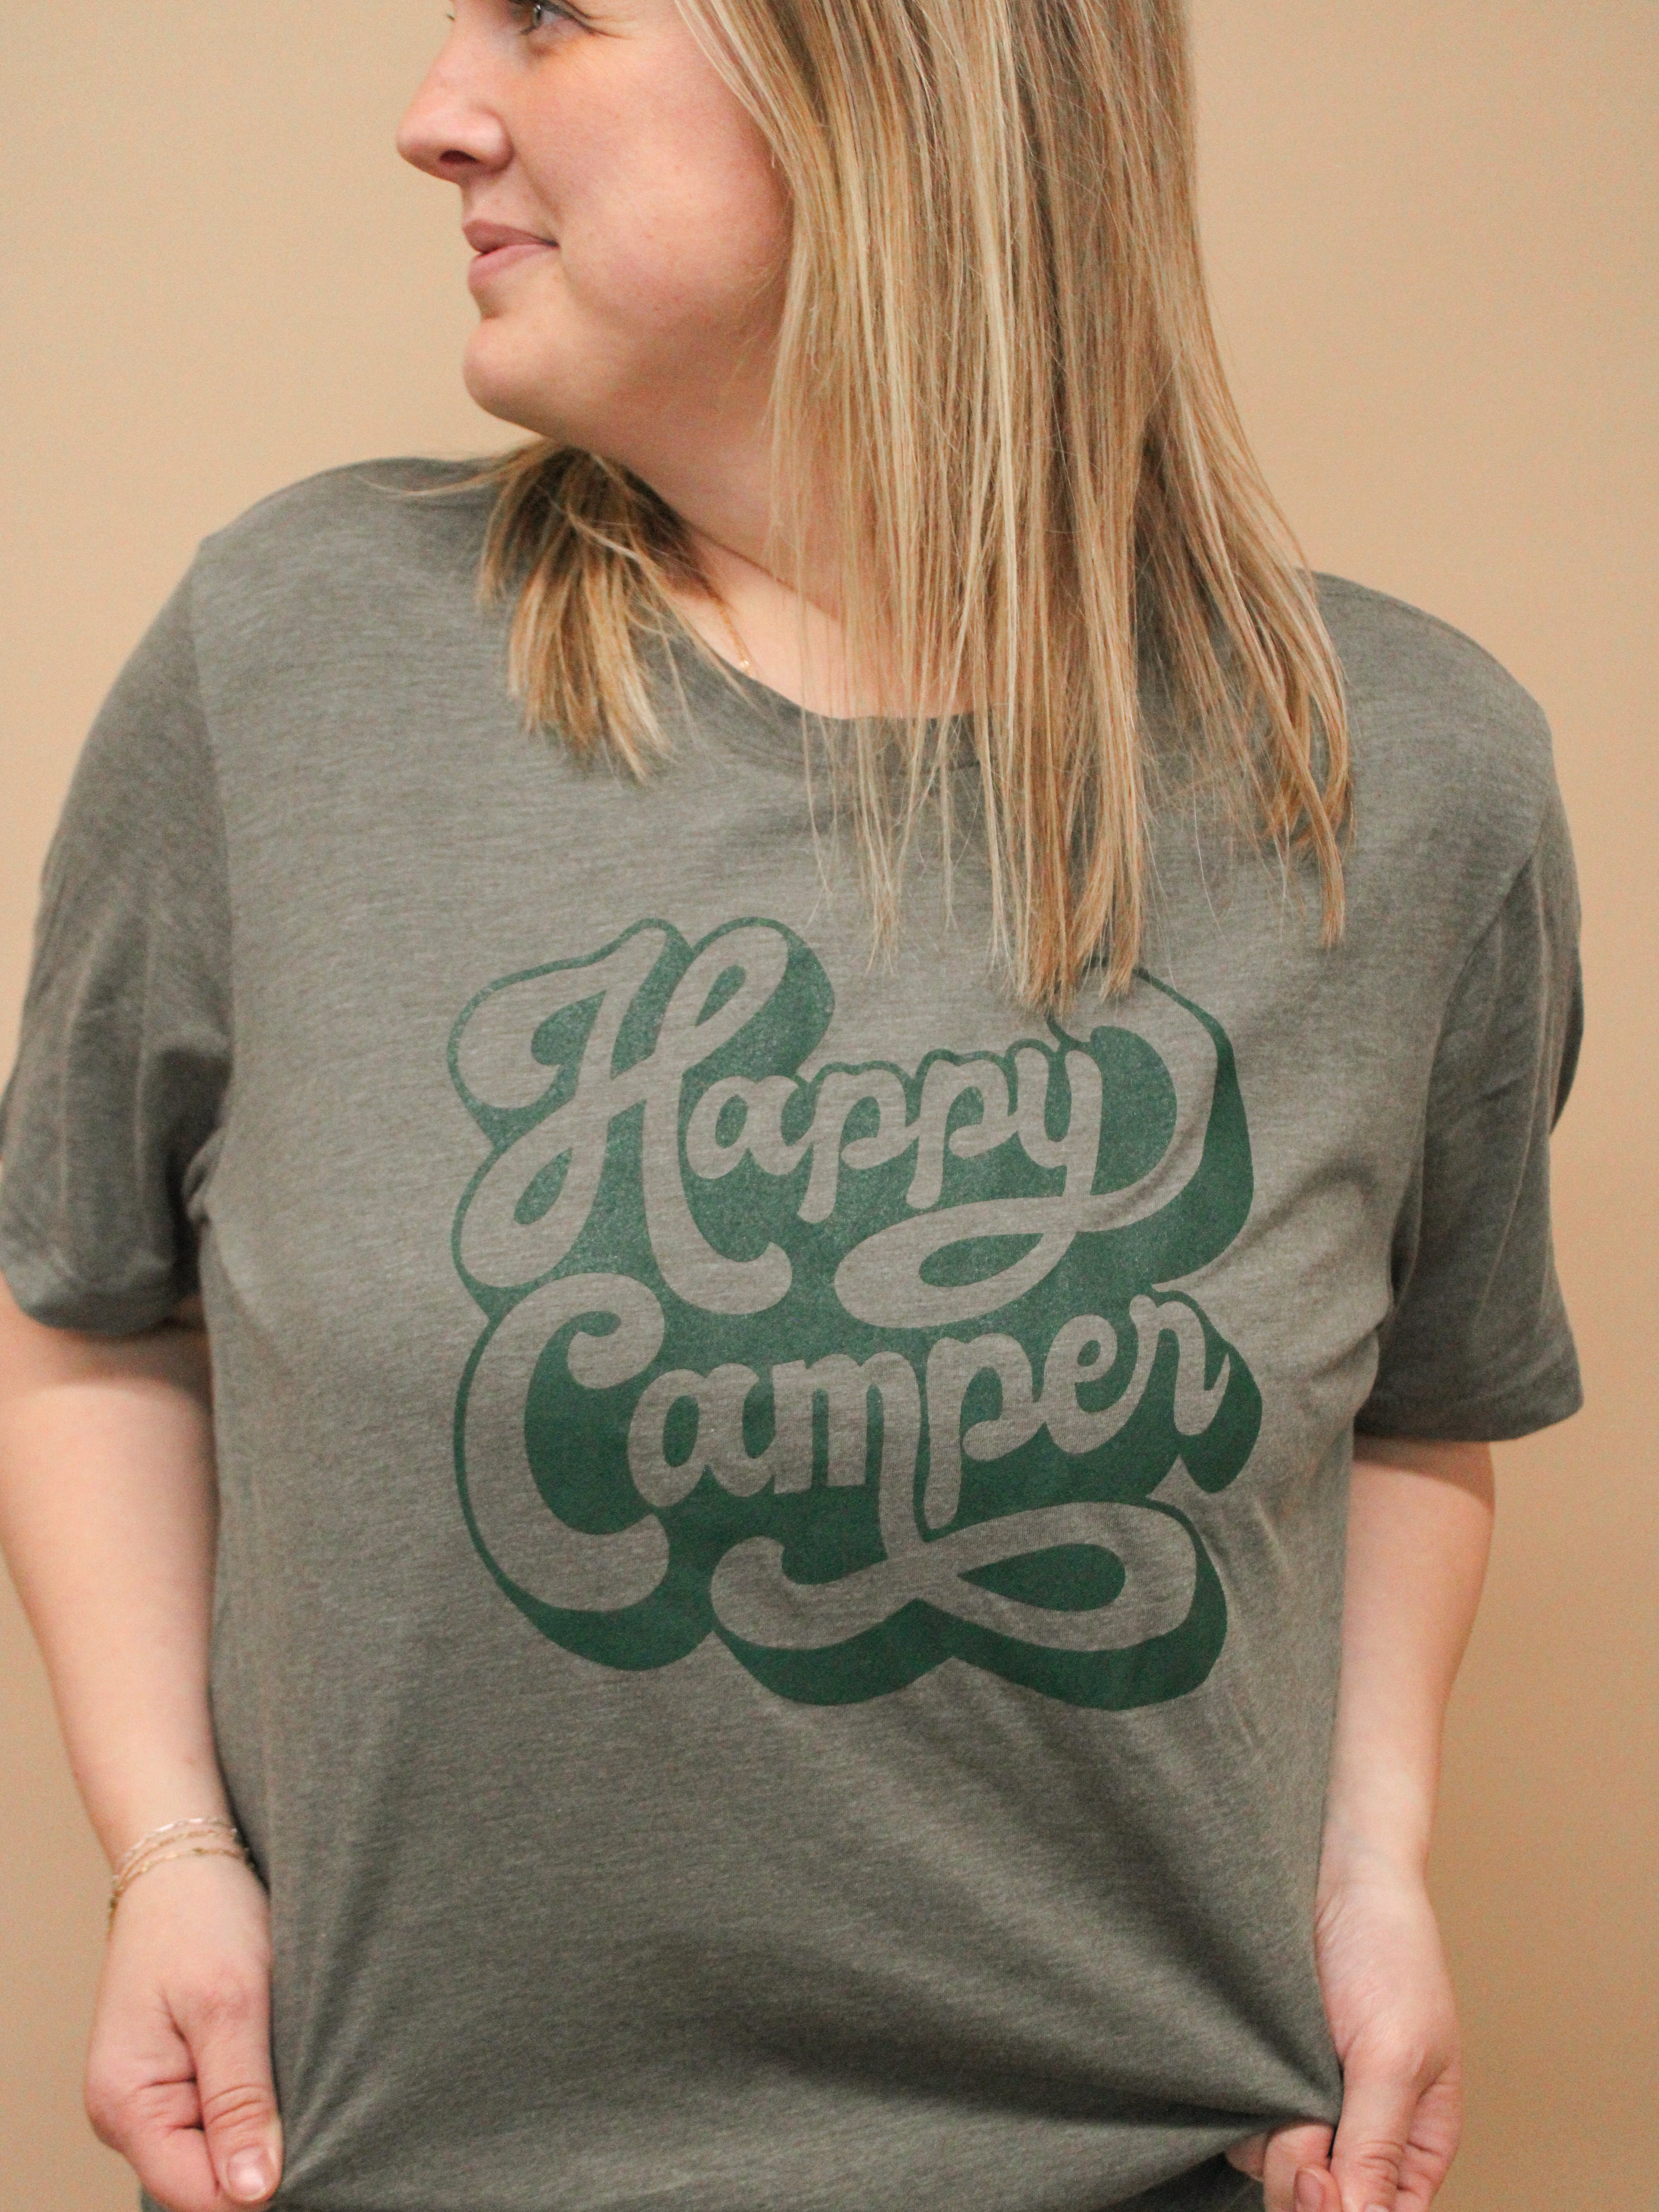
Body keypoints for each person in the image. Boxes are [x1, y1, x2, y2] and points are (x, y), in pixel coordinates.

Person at [0, 2, 1583, 2210]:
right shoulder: (289, 658)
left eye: (551, 12)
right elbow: (83, 1308)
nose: (437, 116)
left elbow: (1418, 1404)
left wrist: (1373, 1859)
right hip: (382, 2166)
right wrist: (168, 1851)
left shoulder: (1398, 780)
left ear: (890, 71)